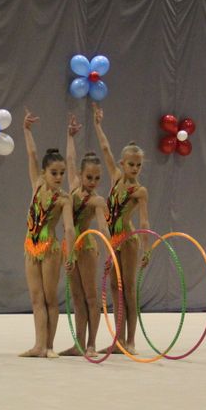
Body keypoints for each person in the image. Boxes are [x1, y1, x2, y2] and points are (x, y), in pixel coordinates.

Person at [93, 103, 150, 355]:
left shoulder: (140, 191)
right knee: (115, 289)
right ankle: (118, 339)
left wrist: (147, 249)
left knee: (128, 288)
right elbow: (105, 149)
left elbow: (144, 222)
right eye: (131, 164)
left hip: (127, 240)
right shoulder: (116, 178)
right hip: (112, 240)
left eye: (138, 165)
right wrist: (97, 125)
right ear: (122, 163)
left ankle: (131, 340)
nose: (135, 169)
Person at [20, 109, 75, 358]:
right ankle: (38, 345)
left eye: (62, 173)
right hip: (31, 247)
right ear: (44, 172)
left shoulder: (64, 199)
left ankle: (49, 346)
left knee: (50, 298)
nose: (59, 177)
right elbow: (32, 155)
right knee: (36, 298)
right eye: (54, 173)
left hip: (51, 249)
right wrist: (26, 130)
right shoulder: (37, 184)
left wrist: (70, 255)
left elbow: (69, 228)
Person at [60, 113, 110, 357]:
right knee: (77, 297)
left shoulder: (97, 201)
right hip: (70, 246)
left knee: (91, 297)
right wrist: (70, 136)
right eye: (89, 177)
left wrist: (110, 253)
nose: (93, 182)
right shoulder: (72, 187)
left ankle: (91, 344)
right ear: (81, 175)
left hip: (87, 247)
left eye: (97, 178)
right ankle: (78, 343)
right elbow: (70, 160)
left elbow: (103, 228)